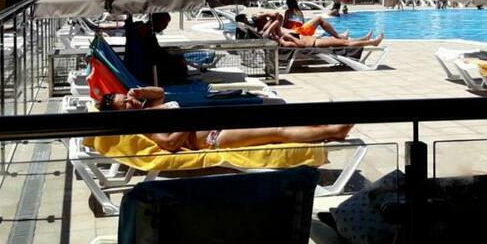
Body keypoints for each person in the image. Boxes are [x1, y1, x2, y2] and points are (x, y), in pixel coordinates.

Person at [96, 86, 353, 151]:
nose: (129, 101)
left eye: (125, 97)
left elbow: (160, 93)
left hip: (217, 123)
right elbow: (170, 143)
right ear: (122, 115)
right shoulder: (144, 124)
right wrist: (190, 120)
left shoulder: (148, 108)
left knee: (272, 119)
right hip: (214, 137)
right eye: (124, 104)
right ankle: (334, 131)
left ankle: (324, 127)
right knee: (277, 130)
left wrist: (140, 91)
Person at [126, 13, 188, 84]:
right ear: (157, 21)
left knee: (178, 57)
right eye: (165, 24)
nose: (165, 27)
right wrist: (172, 57)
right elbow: (155, 53)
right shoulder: (146, 33)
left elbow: (156, 50)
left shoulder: (148, 31)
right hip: (149, 67)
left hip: (151, 61)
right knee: (179, 61)